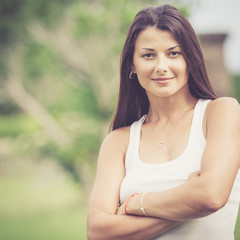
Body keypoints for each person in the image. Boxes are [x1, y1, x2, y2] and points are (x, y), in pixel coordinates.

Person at [87, 4, 240, 240]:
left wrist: (137, 204)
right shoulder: (118, 141)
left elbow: (211, 195)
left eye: (173, 53)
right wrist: (189, 199)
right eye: (148, 55)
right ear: (132, 65)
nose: (161, 66)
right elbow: (98, 232)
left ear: (190, 58)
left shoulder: (221, 113)